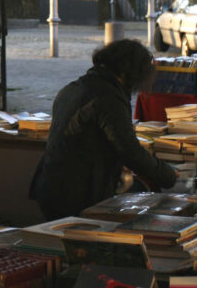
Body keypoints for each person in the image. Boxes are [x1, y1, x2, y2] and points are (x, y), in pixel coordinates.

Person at [29, 39, 177, 220]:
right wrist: (169, 176)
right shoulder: (107, 97)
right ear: (130, 73)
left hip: (51, 184)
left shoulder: (74, 88)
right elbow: (130, 151)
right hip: (76, 192)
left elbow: (91, 138)